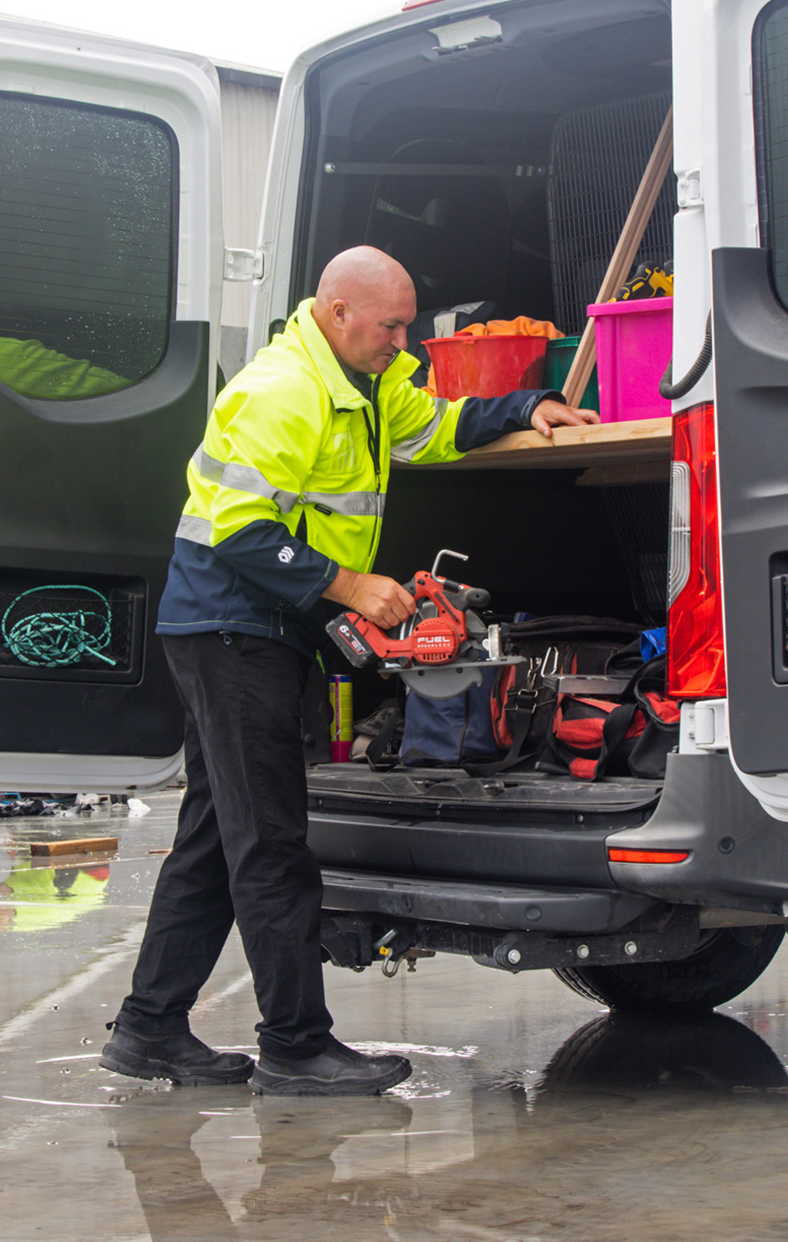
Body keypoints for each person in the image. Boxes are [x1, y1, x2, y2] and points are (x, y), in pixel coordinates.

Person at [102, 246, 597, 1095]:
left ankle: (150, 1026)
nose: (405, 344)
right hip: (232, 629)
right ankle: (296, 1044)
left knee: (217, 836)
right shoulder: (283, 391)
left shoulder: (363, 385)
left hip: (247, 628)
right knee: (270, 847)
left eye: (409, 325)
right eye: (393, 326)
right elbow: (244, 533)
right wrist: (354, 588)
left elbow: (437, 424)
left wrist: (529, 405)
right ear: (338, 313)